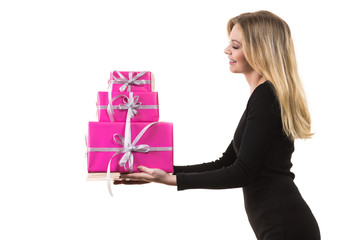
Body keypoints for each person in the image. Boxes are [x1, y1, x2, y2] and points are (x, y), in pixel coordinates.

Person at [114, 10, 321, 240]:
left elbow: (242, 173)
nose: (226, 50)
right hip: (281, 223)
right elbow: (226, 162)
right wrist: (163, 172)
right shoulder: (264, 95)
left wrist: (171, 180)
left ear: (259, 50)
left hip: (285, 227)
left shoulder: (267, 97)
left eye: (235, 45)